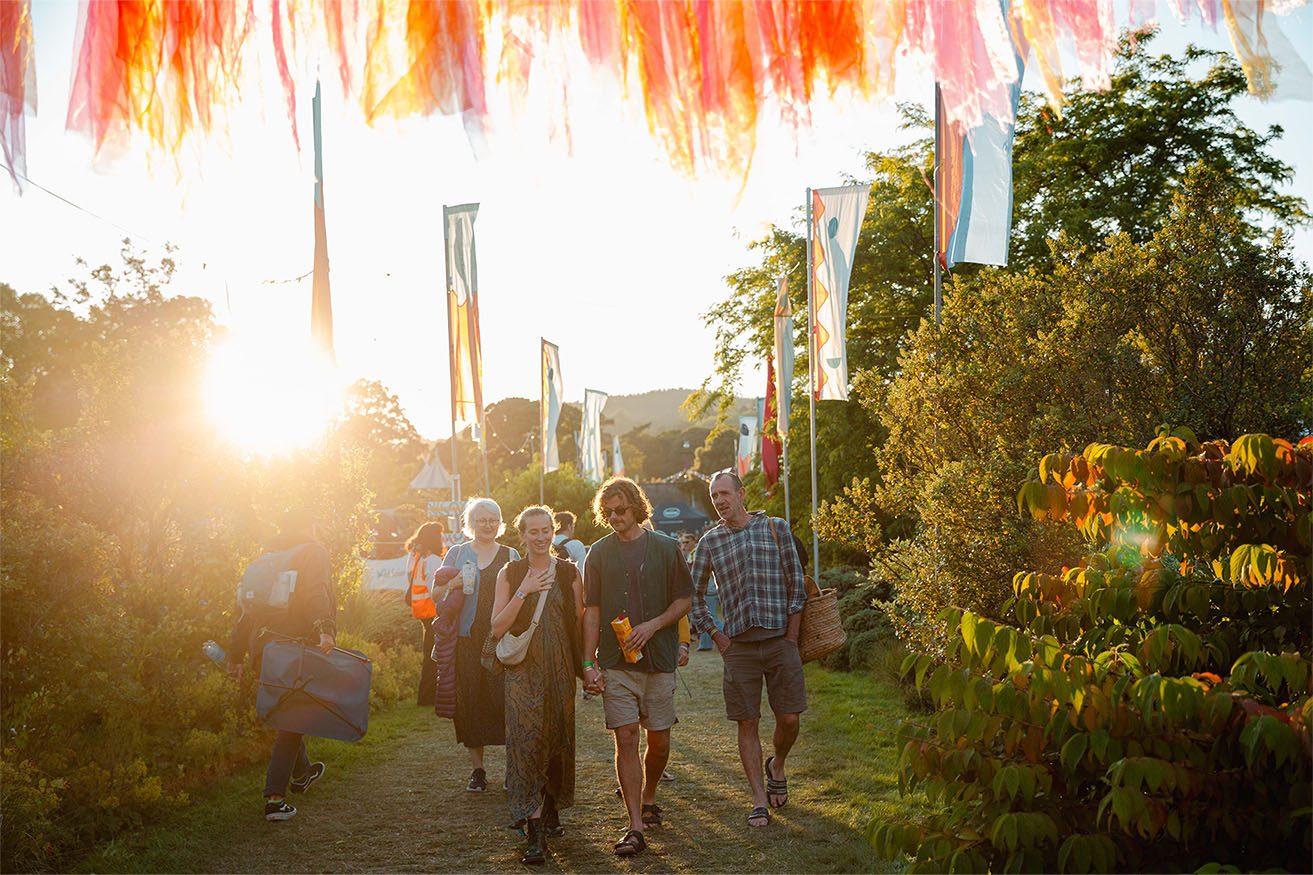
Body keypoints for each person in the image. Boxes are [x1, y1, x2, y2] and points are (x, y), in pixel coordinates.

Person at [582, 478, 692, 857]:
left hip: (659, 661)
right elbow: (591, 611)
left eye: (621, 510)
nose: (614, 517)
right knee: (626, 736)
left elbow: (684, 599)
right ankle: (634, 825)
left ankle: (649, 795)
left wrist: (653, 626)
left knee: (658, 743)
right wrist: (587, 662)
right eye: (607, 511)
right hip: (615, 663)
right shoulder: (597, 554)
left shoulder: (665, 548)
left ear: (637, 508)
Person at [690, 471, 807, 829]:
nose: (720, 501)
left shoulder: (775, 527)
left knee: (789, 718)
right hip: (739, 645)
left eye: (725, 493)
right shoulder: (709, 542)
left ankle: (778, 764)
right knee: (747, 722)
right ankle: (758, 798)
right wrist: (718, 636)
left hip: (779, 640)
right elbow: (693, 596)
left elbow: (796, 584)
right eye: (714, 496)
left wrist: (790, 638)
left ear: (741, 494)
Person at [227, 507, 336, 822]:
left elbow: (246, 611)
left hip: (262, 647)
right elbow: (316, 592)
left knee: (289, 710)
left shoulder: (269, 556)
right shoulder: (312, 552)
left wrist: (235, 655)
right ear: (310, 524)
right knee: (292, 718)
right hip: (294, 647)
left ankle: (302, 772)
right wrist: (324, 628)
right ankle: (274, 799)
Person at [490, 505, 584, 865]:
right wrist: (524, 590)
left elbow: (578, 621)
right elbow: (497, 627)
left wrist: (586, 667)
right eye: (534, 531)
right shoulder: (510, 573)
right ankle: (533, 831)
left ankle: (551, 807)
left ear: (552, 532)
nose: (541, 537)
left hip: (559, 672)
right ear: (523, 535)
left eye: (546, 530)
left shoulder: (569, 573)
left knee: (558, 739)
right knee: (526, 743)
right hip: (522, 674)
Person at [439, 497, 519, 792]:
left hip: (502, 640)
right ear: (471, 524)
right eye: (482, 520)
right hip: (467, 640)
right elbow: (436, 594)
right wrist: (454, 583)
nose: (487, 525)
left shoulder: (511, 554)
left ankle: (515, 769)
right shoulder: (457, 553)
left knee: (506, 702)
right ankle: (478, 770)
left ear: (500, 524)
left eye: (493, 519)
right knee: (470, 702)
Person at [404, 521, 445, 707]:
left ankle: (426, 696)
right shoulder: (433, 560)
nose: (442, 539)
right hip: (433, 611)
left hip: (422, 611)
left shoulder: (416, 557)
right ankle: (428, 697)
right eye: (439, 536)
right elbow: (435, 590)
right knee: (434, 655)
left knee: (430, 653)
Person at [679, 530, 721, 651]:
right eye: (682, 542)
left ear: (694, 541)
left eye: (687, 542)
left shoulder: (698, 551)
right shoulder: (690, 553)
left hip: (707, 590)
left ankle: (731, 633)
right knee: (702, 616)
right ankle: (705, 644)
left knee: (710, 617)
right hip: (701, 591)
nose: (684, 544)